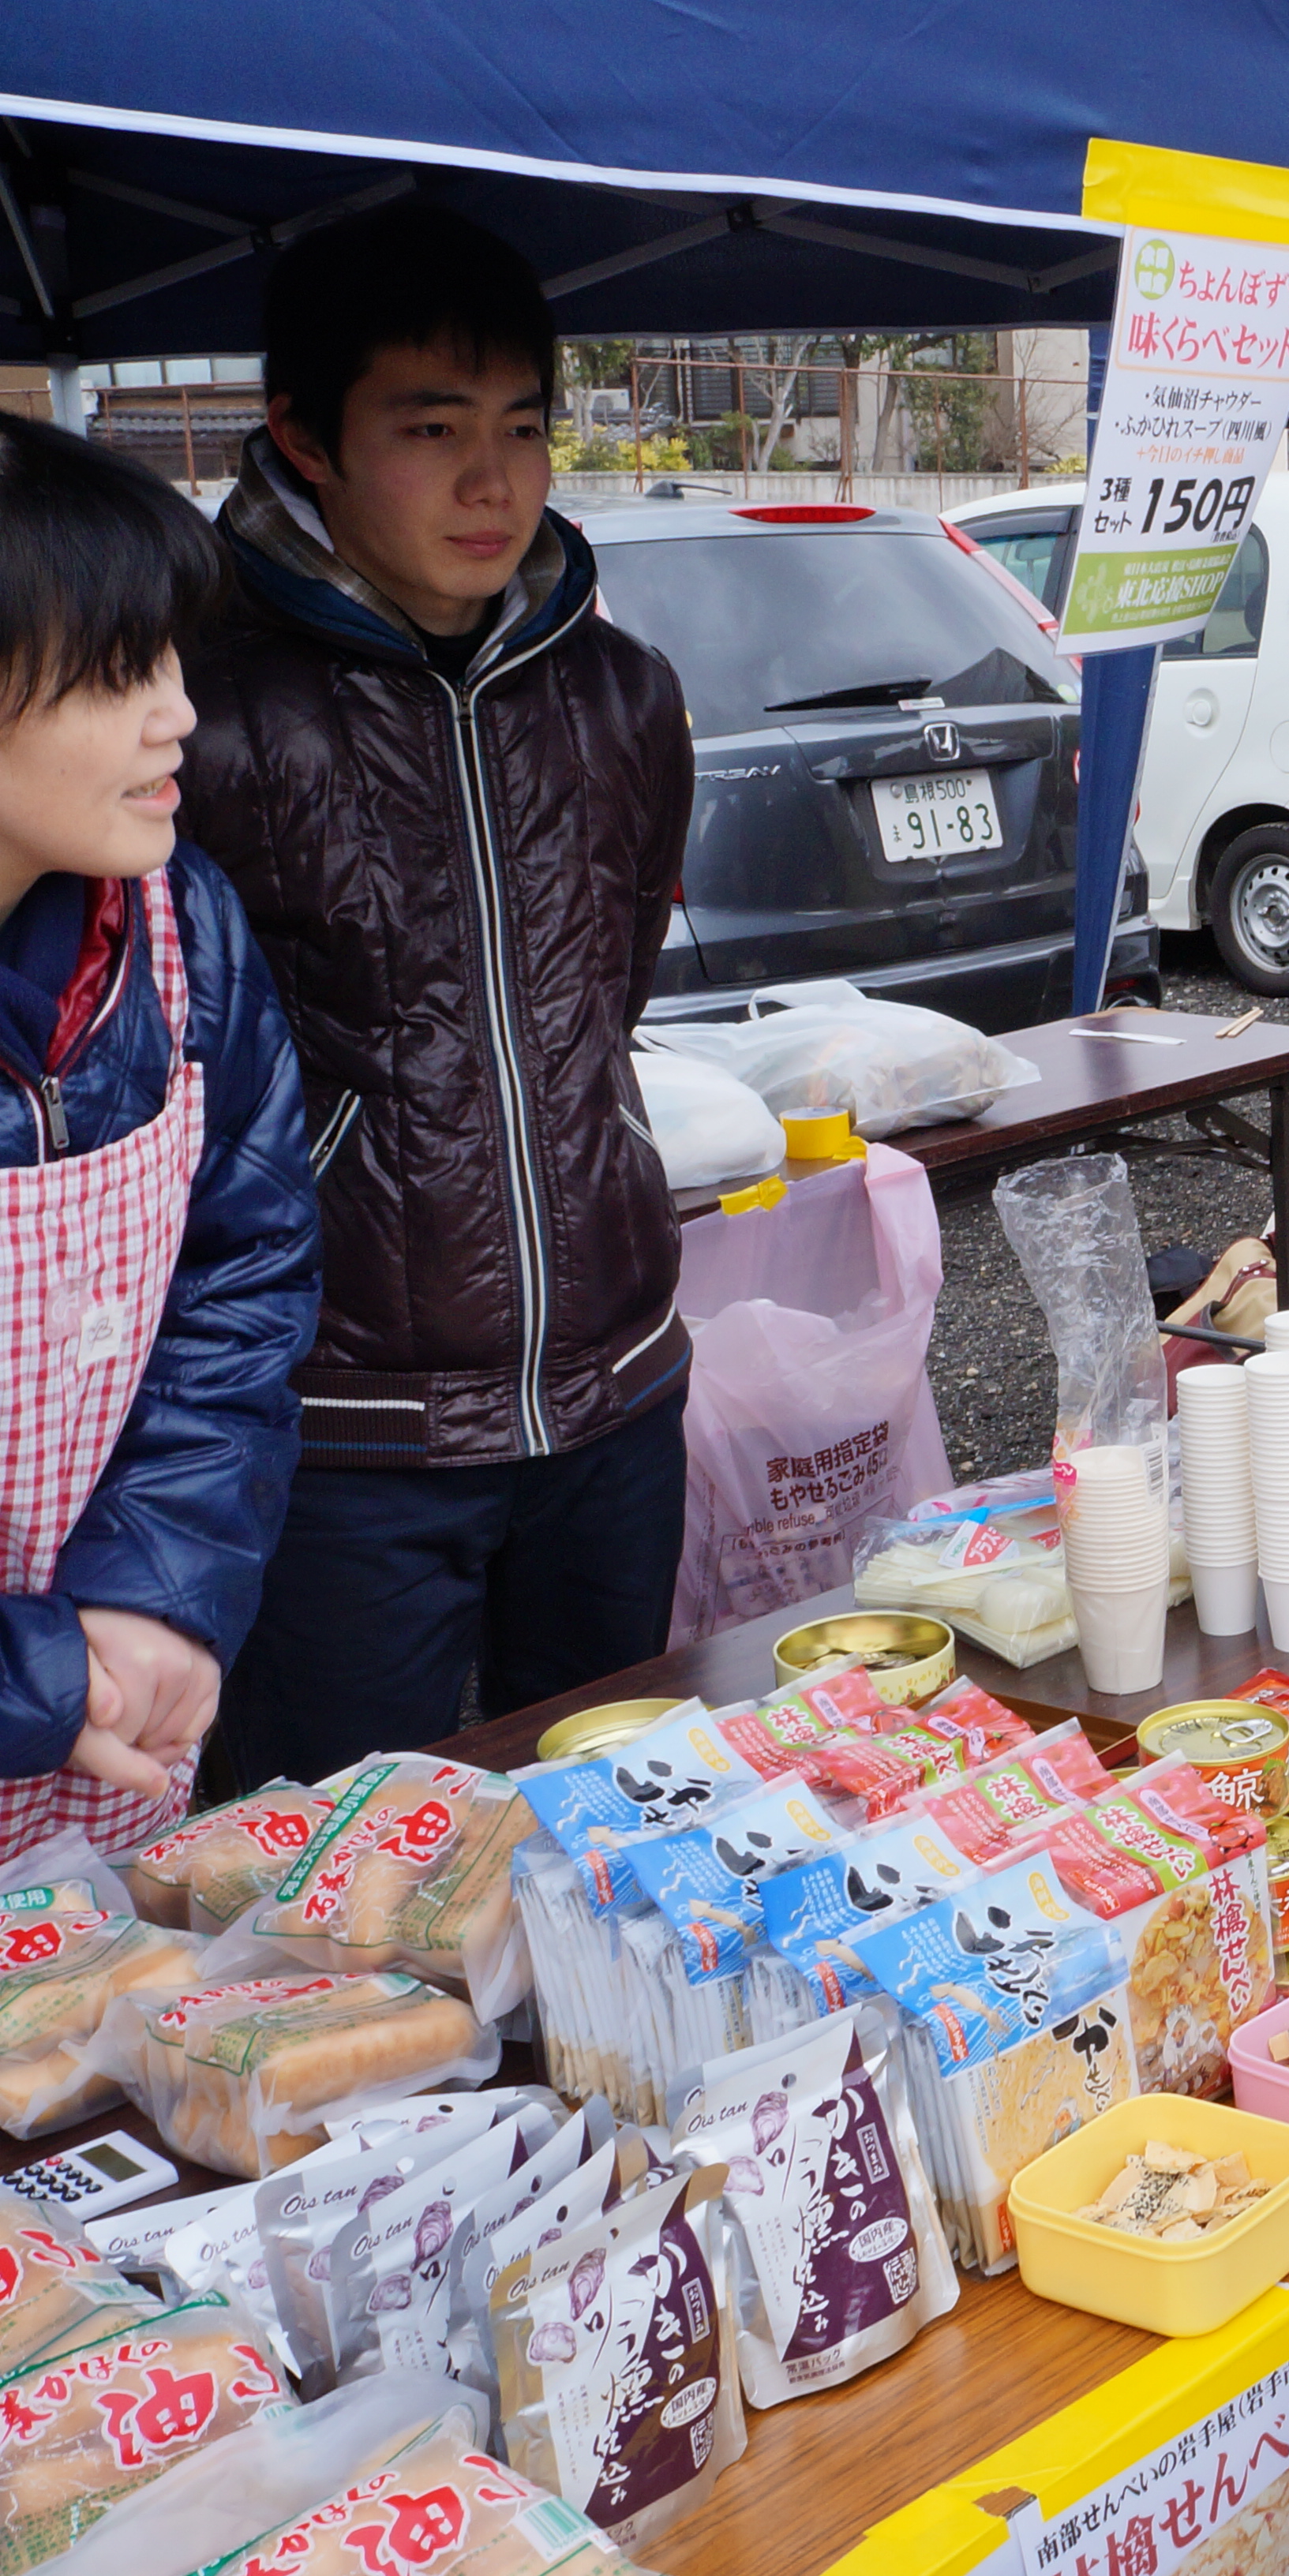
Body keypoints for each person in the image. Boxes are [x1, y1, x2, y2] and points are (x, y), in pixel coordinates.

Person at [178, 202, 694, 1785]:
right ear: (304, 439)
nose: (493, 481)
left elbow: (603, 996)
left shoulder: (619, 692)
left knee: (620, 1837)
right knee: (343, 1889)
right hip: (344, 1431)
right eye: (429, 428)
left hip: (616, 1390)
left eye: (523, 428)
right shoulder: (198, 707)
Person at [0, 417, 320, 1854]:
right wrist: (34, 1675)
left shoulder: (182, 929)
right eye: (123, 669)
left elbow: (240, 1279)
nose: (179, 711)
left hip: (109, 1732)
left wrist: (160, 1589)